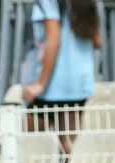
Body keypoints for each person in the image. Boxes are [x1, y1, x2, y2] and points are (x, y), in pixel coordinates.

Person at [22, 0, 103, 153]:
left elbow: (54, 41)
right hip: (79, 82)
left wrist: (40, 84)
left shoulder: (48, 2)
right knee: (69, 145)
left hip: (53, 84)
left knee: (31, 145)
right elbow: (98, 41)